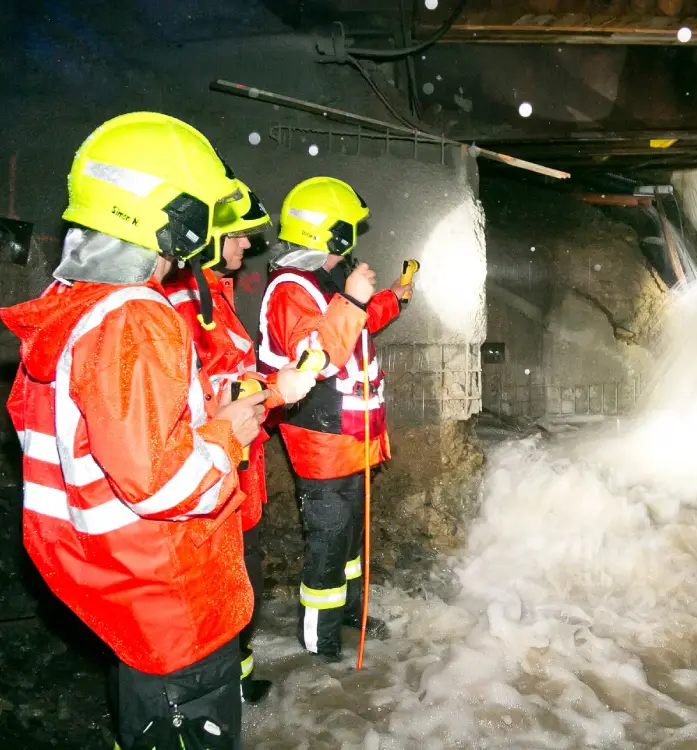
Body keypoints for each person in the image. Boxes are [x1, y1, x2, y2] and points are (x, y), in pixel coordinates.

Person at [0, 112, 268, 749]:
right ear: (170, 216)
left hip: (123, 592)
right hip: (172, 602)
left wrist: (204, 408)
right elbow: (163, 483)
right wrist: (229, 432)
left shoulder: (75, 304)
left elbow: (108, 441)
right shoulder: (136, 317)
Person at [163, 181, 319, 704]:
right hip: (206, 486)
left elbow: (226, 379)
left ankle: (235, 683)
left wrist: (270, 386)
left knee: (237, 588)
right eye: (234, 236)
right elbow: (202, 399)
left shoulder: (209, 292)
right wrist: (279, 389)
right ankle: (214, 698)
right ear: (201, 234)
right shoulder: (180, 301)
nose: (246, 248)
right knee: (213, 599)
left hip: (230, 479)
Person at [257, 176, 412, 661]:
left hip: (352, 436)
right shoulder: (289, 290)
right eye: (348, 230)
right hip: (321, 440)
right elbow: (317, 354)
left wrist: (393, 295)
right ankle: (319, 646)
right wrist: (355, 298)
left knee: (349, 539)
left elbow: (355, 322)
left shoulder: (327, 280)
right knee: (327, 544)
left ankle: (349, 614)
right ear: (333, 233)